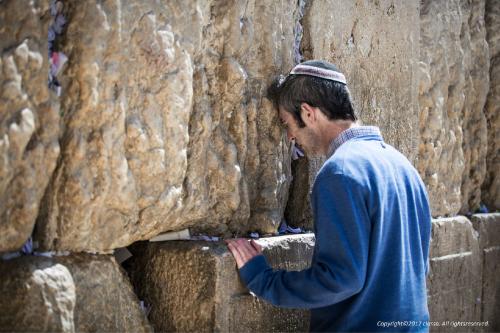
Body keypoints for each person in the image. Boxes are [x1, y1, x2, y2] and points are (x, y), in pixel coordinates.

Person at [226, 60, 432, 332]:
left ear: (308, 113)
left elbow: (341, 278)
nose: (289, 137)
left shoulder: (340, 173)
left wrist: (264, 279)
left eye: (287, 124)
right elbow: (418, 267)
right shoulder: (404, 167)